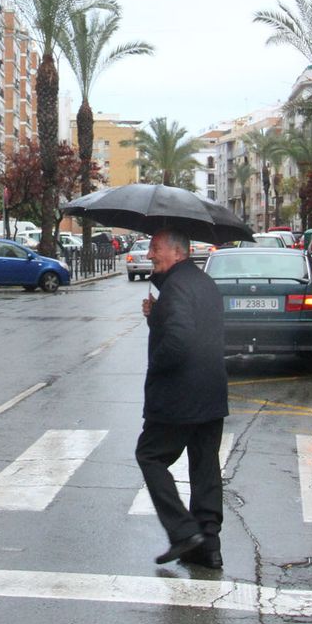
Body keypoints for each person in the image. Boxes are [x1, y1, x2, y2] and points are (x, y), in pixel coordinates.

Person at [135, 228, 228, 569]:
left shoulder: (174, 289)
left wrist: (156, 366)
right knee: (205, 468)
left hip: (178, 397)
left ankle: (183, 530)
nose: (149, 255)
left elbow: (178, 341)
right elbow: (197, 327)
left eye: (155, 249)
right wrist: (155, 316)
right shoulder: (204, 283)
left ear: (177, 252)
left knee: (150, 456)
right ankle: (209, 548)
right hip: (211, 392)